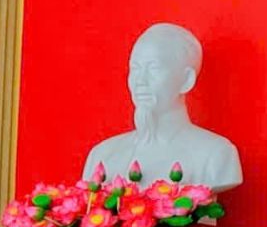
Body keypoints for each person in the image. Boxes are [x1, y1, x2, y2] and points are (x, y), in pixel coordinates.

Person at [83, 23, 243, 190]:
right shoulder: (102, 156)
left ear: (186, 80)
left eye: (154, 68)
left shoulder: (215, 154)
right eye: (135, 68)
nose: (140, 81)